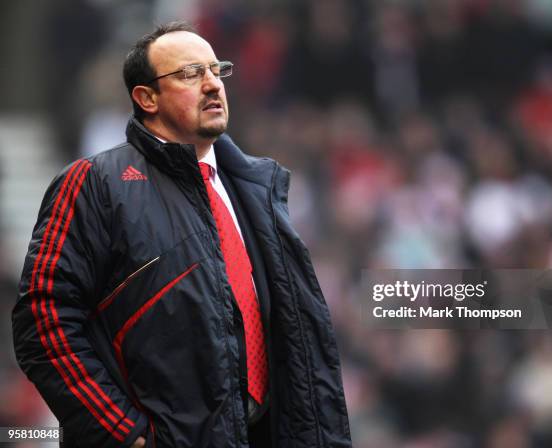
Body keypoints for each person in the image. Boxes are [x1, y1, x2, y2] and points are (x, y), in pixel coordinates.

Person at [12, 21, 352, 448]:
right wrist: (126, 434)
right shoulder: (96, 182)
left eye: (216, 70)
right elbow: (44, 321)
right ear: (146, 98)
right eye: (190, 74)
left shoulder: (257, 189)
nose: (212, 85)